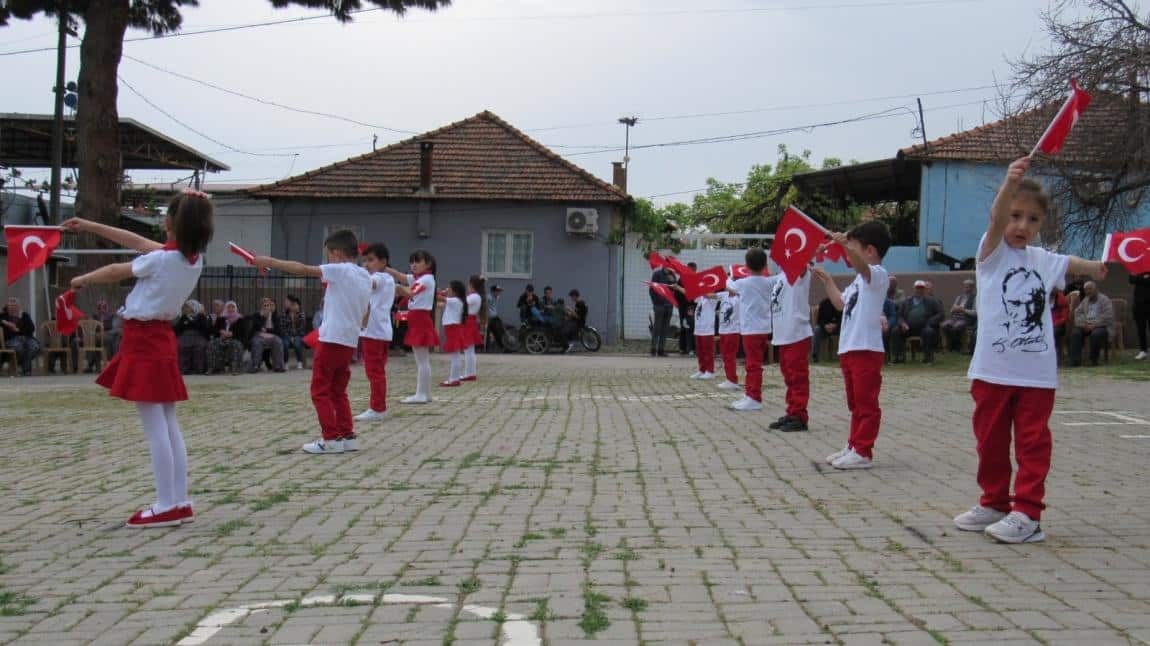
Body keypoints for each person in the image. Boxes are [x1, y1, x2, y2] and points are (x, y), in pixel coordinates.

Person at [955, 156, 1108, 544]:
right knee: (989, 442)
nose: (1022, 226)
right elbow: (994, 220)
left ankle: (1027, 514)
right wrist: (1009, 184)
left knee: (1031, 443)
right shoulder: (991, 256)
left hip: (1036, 375)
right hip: (991, 371)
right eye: (1015, 215)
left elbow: (1069, 261)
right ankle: (994, 502)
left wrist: (1095, 267)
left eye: (1032, 219)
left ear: (1041, 224)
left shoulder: (1042, 260)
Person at [63, 189, 213, 527]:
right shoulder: (189, 259)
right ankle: (178, 500)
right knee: (168, 423)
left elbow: (118, 269)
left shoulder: (161, 260)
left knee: (155, 426)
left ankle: (165, 504)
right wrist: (90, 225)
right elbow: (136, 242)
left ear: (172, 222)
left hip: (144, 339)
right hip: (160, 338)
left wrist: (82, 279)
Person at [254, 230, 372, 454]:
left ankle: (330, 439)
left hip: (331, 339)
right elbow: (367, 308)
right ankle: (347, 436)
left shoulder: (340, 269)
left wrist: (268, 261)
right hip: (349, 340)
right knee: (338, 390)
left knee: (320, 391)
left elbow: (302, 269)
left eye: (328, 255)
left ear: (336, 254)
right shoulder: (364, 275)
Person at [811, 220, 893, 470]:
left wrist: (844, 244)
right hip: (849, 348)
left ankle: (863, 451)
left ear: (870, 250)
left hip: (866, 349)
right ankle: (854, 444)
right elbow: (840, 304)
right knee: (855, 402)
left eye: (854, 247)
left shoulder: (877, 275)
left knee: (866, 403)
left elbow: (859, 264)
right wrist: (827, 280)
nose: (848, 254)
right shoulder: (859, 281)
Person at [726, 248, 776, 412]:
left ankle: (754, 397)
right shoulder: (770, 281)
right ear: (765, 265)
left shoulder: (742, 283)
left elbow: (728, 284)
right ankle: (750, 394)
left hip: (751, 329)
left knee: (753, 364)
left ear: (746, 266)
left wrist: (730, 274)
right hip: (763, 327)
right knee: (754, 363)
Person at [387, 249, 439, 403]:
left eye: (417, 261)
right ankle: (425, 393)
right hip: (417, 319)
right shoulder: (421, 277)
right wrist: (386, 269)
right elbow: (402, 276)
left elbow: (410, 292)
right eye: (412, 262)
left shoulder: (426, 279)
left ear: (428, 264)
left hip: (420, 319)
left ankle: (421, 394)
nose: (413, 264)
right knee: (422, 360)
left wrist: (392, 286)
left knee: (422, 360)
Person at [769, 267, 813, 433]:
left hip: (796, 332)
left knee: (798, 376)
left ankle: (800, 416)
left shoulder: (800, 272)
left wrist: (807, 252)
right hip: (783, 333)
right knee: (788, 376)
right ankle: (792, 411)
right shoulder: (780, 276)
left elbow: (800, 265)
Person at [355, 243, 395, 423]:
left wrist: (356, 273)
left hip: (374, 332)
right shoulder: (388, 279)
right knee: (377, 371)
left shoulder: (381, 277)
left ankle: (377, 408)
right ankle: (378, 405)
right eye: (365, 260)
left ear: (383, 261)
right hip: (380, 331)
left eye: (370, 260)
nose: (367, 264)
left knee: (374, 372)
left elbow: (370, 282)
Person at [891, 280, 943, 363]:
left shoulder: (932, 301)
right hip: (908, 328)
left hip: (925, 327)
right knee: (896, 331)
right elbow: (899, 316)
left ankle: (928, 357)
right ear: (914, 289)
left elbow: (940, 314)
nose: (919, 290)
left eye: (921, 288)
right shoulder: (906, 301)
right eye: (917, 288)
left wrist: (930, 322)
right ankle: (899, 357)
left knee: (929, 332)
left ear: (924, 289)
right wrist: (902, 323)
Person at [1068, 280, 1114, 367]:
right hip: (1086, 325)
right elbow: (1078, 313)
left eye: (1090, 289)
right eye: (1086, 290)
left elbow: (1108, 316)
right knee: (1075, 333)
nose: (1088, 291)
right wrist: (1083, 324)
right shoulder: (1085, 300)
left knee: (1096, 334)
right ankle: (1075, 361)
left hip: (1101, 326)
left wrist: (1094, 325)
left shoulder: (1104, 300)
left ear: (1096, 289)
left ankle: (1093, 360)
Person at [438, 280, 469, 387]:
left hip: (453, 329)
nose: (447, 290)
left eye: (449, 288)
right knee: (455, 356)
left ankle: (454, 379)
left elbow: (440, 299)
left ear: (455, 291)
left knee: (455, 356)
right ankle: (454, 378)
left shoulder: (455, 300)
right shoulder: (455, 301)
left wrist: (437, 292)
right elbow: (440, 304)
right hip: (452, 329)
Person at [0, 297, 38, 376]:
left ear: (18, 307)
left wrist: (18, 330)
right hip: (11, 339)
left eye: (15, 306)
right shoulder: (3, 315)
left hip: (26, 338)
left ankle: (22, 368)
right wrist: (6, 323)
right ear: (7, 307)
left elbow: (31, 328)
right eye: (11, 306)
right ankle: (25, 369)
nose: (13, 308)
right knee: (18, 348)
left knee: (34, 347)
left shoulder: (24, 315)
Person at [173, 300, 211, 375]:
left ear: (193, 307)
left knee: (199, 347)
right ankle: (184, 369)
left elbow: (204, 327)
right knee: (182, 347)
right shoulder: (183, 317)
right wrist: (185, 323)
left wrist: (190, 323)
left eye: (188, 307)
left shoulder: (201, 316)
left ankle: (199, 369)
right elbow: (178, 328)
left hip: (198, 336)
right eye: (186, 307)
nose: (186, 309)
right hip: (185, 336)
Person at [940, 279, 978, 354]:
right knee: (943, 325)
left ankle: (963, 347)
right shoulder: (959, 297)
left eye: (968, 287)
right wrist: (954, 309)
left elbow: (975, 313)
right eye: (965, 287)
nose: (966, 289)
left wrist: (963, 310)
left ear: (972, 288)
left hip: (966, 319)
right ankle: (945, 347)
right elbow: (951, 310)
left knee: (957, 326)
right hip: (955, 317)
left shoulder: (975, 298)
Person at [248, 297, 285, 373]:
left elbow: (278, 331)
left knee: (278, 341)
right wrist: (262, 317)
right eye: (264, 305)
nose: (266, 307)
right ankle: (255, 365)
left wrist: (267, 331)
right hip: (258, 336)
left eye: (268, 305)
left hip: (272, 336)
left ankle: (278, 365)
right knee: (257, 343)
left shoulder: (275, 316)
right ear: (261, 306)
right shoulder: (256, 315)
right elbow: (256, 327)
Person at [209, 301, 245, 375]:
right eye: (229, 307)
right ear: (226, 308)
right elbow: (215, 330)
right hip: (222, 338)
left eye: (232, 307)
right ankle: (216, 368)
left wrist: (231, 334)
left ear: (235, 308)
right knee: (212, 343)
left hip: (235, 338)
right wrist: (221, 331)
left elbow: (243, 332)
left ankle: (235, 368)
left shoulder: (240, 318)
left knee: (235, 344)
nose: (230, 309)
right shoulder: (221, 318)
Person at [716, 289, 742, 391]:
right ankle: (729, 379)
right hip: (723, 330)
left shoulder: (739, 298)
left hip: (732, 331)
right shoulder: (724, 295)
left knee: (730, 356)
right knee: (725, 356)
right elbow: (710, 295)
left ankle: (733, 381)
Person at [649, 266, 677, 357]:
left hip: (669, 305)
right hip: (659, 305)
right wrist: (656, 302)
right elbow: (652, 288)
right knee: (657, 327)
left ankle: (661, 349)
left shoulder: (672, 275)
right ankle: (653, 349)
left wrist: (672, 281)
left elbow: (674, 289)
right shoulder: (657, 274)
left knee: (665, 328)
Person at [463, 275, 487, 379]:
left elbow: (462, 304)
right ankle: (470, 373)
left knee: (468, 350)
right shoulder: (476, 296)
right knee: (470, 350)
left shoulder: (474, 296)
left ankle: (469, 373)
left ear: (472, 284)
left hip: (469, 322)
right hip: (470, 322)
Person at [691, 294, 718, 380]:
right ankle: (702, 369)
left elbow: (711, 295)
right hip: (698, 328)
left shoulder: (712, 298)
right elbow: (689, 293)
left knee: (708, 351)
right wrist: (678, 287)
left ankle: (710, 371)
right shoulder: (700, 297)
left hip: (707, 329)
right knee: (700, 351)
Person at [281, 294, 309, 370]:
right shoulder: (284, 314)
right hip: (287, 335)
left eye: (287, 301)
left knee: (297, 343)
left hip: (298, 335)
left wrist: (294, 336)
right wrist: (290, 337)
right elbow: (283, 328)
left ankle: (299, 362)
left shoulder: (301, 314)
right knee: (285, 344)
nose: (285, 303)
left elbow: (302, 329)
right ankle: (285, 362)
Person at [810, 296, 841, 363]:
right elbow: (819, 320)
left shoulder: (841, 304)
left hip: (838, 328)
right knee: (817, 329)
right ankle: (815, 356)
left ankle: (843, 356)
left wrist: (835, 325)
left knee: (846, 331)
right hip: (825, 328)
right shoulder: (824, 303)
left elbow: (844, 320)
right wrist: (825, 326)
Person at [678, 262, 697, 356]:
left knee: (689, 327)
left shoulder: (693, 278)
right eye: (692, 270)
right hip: (686, 306)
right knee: (687, 327)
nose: (694, 271)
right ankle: (686, 348)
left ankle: (686, 348)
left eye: (694, 270)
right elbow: (678, 293)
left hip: (690, 306)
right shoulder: (682, 279)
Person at [1130, 272, 1150, 360]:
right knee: (1141, 328)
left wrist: (1140, 279)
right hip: (1138, 304)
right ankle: (1143, 351)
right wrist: (1144, 278)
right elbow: (1131, 280)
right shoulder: (1136, 267)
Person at [486, 284, 507, 352]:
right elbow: (485, 307)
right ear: (493, 291)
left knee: (498, 331)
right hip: (489, 318)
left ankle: (501, 347)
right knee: (488, 332)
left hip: (494, 317)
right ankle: (487, 348)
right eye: (497, 291)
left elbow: (493, 307)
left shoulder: (497, 297)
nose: (499, 293)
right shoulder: (488, 298)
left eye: (499, 291)